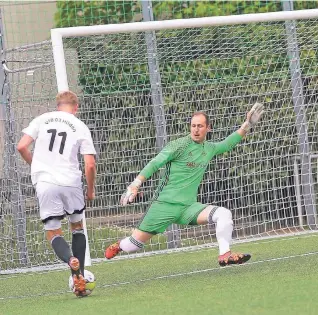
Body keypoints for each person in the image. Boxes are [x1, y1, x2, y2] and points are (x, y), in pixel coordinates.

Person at [105, 103, 264, 266]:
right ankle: (119, 245)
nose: (196, 129)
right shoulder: (178, 145)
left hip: (188, 208)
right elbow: (155, 163)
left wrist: (248, 125)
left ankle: (225, 255)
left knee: (223, 214)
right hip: (164, 205)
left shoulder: (209, 148)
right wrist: (136, 183)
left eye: (200, 126)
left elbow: (227, 144)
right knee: (132, 246)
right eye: (193, 126)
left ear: (208, 128)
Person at [17, 91, 96, 296]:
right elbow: (89, 165)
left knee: (53, 231)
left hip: (45, 182)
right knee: (77, 227)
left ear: (57, 105)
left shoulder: (42, 119)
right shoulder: (80, 126)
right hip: (71, 182)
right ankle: (78, 278)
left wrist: (37, 167)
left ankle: (71, 261)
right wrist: (90, 190)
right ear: (76, 108)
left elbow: (21, 146)